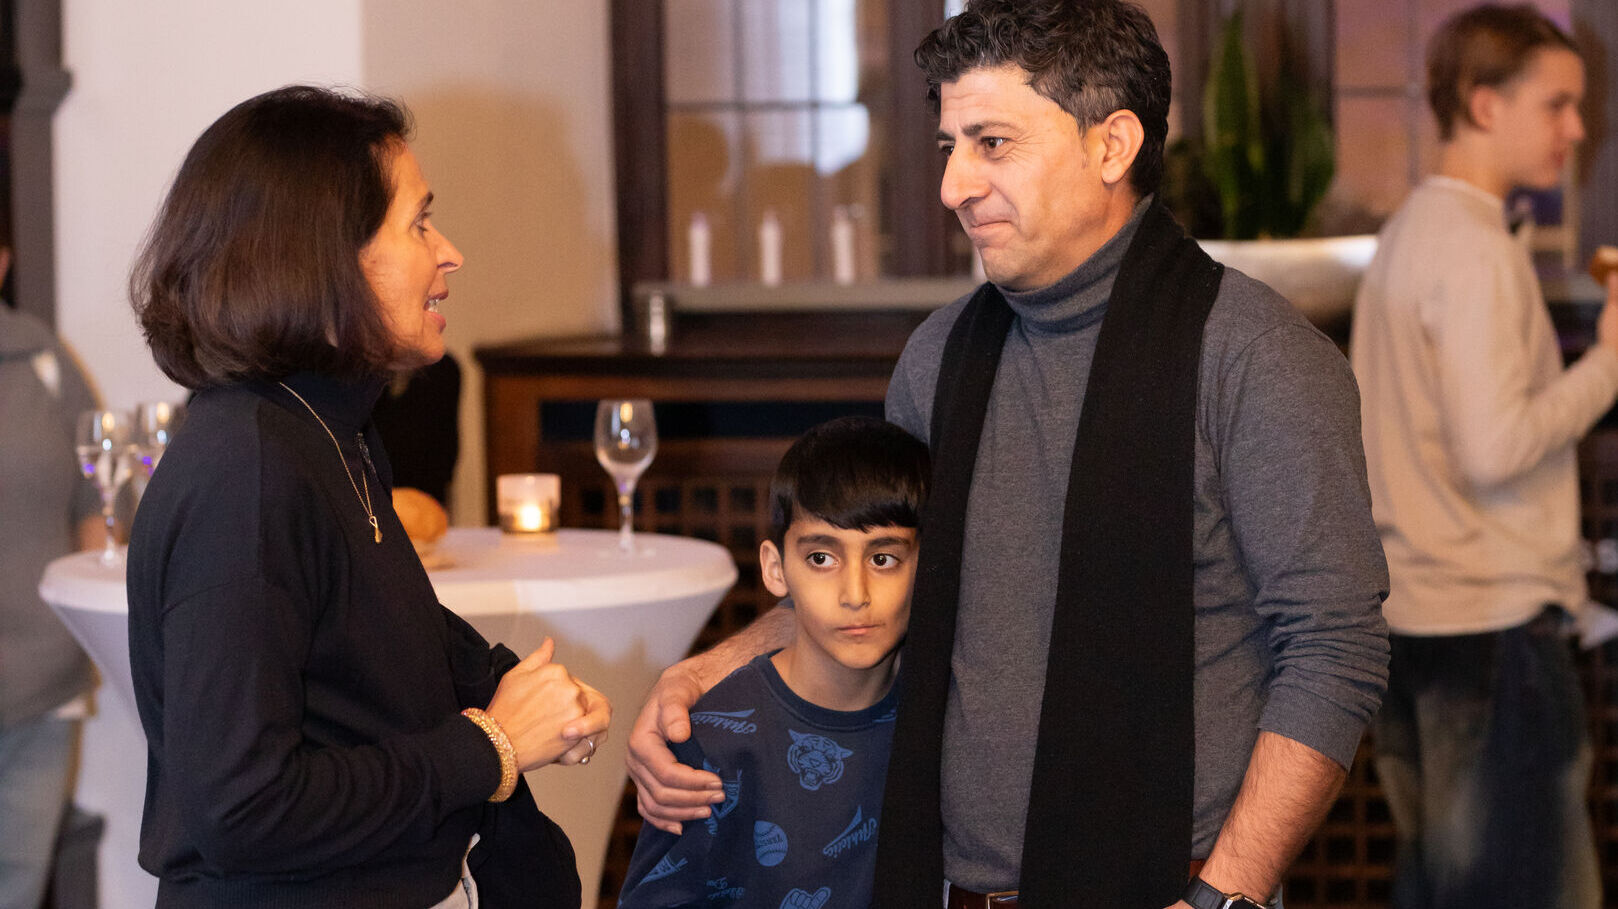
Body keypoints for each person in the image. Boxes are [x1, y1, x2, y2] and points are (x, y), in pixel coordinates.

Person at [627, 2, 1391, 908]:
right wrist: (709, 673)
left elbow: (1334, 648)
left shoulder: (1255, 356)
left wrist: (1227, 896)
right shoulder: (940, 356)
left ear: (1112, 146)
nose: (953, 185)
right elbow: (876, 583)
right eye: (950, 146)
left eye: (992, 143)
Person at [125, 86, 610, 908]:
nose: (450, 253)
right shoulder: (245, 475)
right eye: (419, 224)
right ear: (321, 259)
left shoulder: (326, 428)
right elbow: (244, 807)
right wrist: (490, 744)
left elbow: (376, 634)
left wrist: (514, 690)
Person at [1349, 6, 1618, 907]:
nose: (1578, 129)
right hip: (1494, 631)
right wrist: (1611, 365)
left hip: (1417, 623)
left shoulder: (1409, 232)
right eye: (1558, 105)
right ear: (1483, 103)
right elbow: (1496, 448)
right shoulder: (1473, 250)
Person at [617, 416, 928, 908]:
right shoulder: (716, 739)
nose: (855, 594)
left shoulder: (944, 720)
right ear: (775, 569)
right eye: (821, 558)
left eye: (883, 559)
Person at [0, 248, 102, 908]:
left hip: (45, 688)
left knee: (17, 887)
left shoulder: (40, 354)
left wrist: (83, 627)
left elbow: (95, 497)